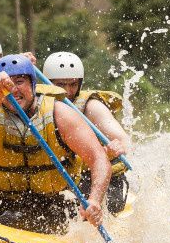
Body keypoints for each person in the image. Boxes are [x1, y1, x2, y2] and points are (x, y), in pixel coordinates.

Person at [0, 54, 111, 234]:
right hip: (3, 198)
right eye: (7, 84)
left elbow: (98, 158)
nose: (13, 89)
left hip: (55, 201)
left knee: (12, 219)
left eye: (19, 81)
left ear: (33, 84)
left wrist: (95, 200)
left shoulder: (61, 114)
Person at [43, 51, 131, 214]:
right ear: (47, 83)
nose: (68, 91)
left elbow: (123, 140)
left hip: (99, 175)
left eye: (73, 84)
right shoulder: (40, 106)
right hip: (66, 175)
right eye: (61, 84)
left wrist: (115, 148)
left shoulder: (91, 106)